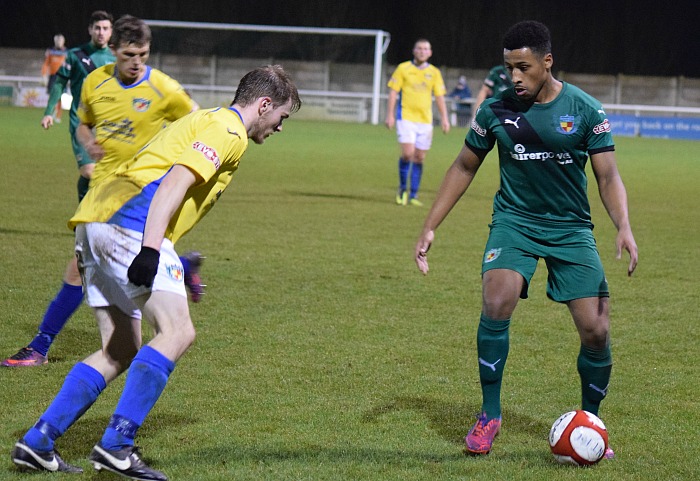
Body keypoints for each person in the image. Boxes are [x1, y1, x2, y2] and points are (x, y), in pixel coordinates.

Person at [10, 64, 301, 480]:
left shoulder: (205, 118)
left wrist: (170, 259)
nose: (279, 127)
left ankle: (38, 442)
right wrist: (150, 250)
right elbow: (174, 182)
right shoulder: (230, 131)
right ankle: (116, 445)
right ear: (265, 104)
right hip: (131, 225)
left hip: (98, 220)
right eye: (281, 117)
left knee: (121, 348)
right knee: (179, 332)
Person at [414, 20, 638, 458]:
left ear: (547, 62)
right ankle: (489, 413)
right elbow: (463, 166)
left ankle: (590, 421)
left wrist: (624, 226)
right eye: (508, 67)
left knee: (595, 329)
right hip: (514, 222)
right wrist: (430, 224)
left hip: (571, 228)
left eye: (523, 67)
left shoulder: (586, 110)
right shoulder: (494, 111)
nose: (514, 77)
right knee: (497, 299)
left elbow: (607, 175)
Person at [1, 15, 203, 369]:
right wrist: (89, 142)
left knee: (81, 268)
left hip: (139, 195)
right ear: (113, 51)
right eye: (129, 54)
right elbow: (84, 126)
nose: (136, 62)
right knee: (93, 266)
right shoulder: (95, 82)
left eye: (143, 54)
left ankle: (39, 346)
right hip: (102, 189)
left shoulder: (164, 89)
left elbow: (200, 125)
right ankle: (180, 266)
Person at [385, 38, 450, 207]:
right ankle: (402, 189)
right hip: (405, 117)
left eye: (425, 49)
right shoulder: (403, 69)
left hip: (425, 121)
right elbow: (393, 93)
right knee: (408, 154)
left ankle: (413, 194)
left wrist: (444, 119)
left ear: (430, 53)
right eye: (419, 48)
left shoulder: (434, 72)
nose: (422, 51)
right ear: (414, 51)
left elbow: (440, 97)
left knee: (419, 157)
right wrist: (390, 115)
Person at [41, 34, 67, 122]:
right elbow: (46, 64)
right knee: (52, 95)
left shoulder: (66, 52)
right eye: (57, 40)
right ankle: (50, 113)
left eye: (60, 40)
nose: (59, 42)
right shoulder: (50, 51)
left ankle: (58, 115)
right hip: (52, 76)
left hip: (62, 76)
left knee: (59, 96)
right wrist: (44, 75)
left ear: (63, 41)